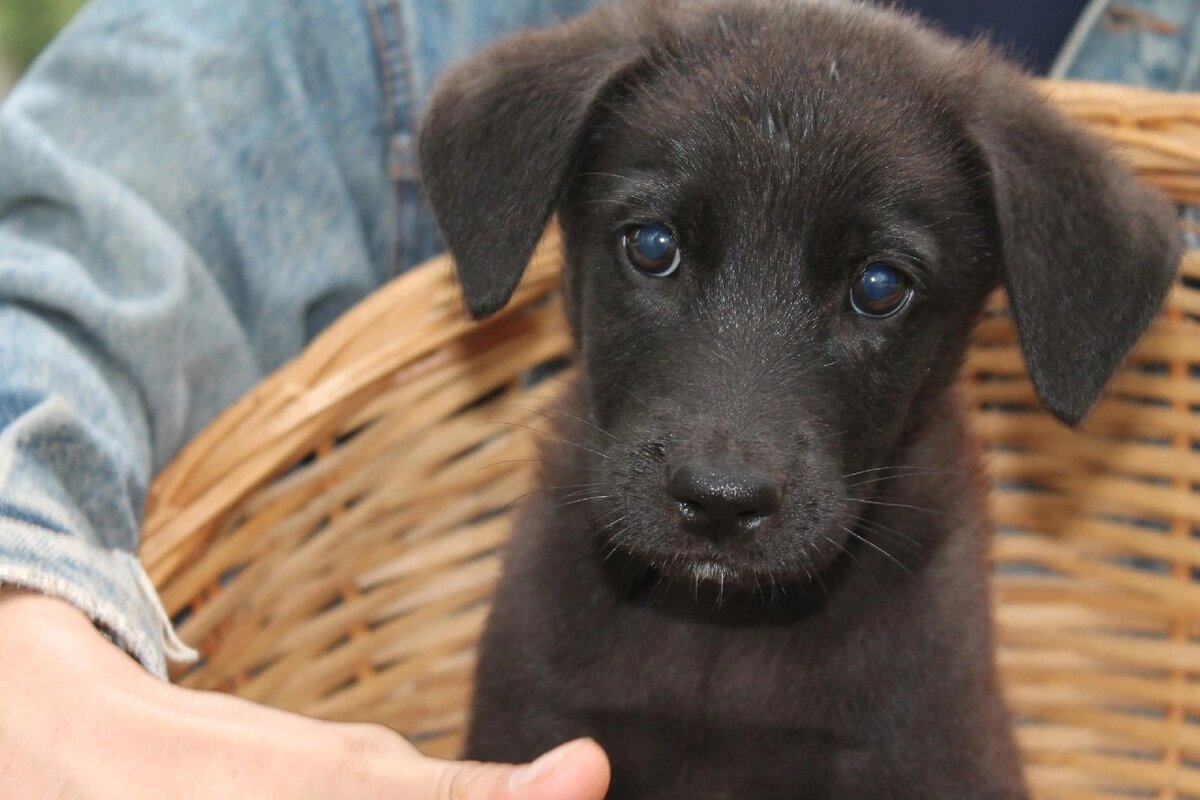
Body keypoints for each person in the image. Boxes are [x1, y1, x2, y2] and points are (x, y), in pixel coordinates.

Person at [0, 0, 1192, 797]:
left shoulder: (922, 643)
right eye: (655, 247)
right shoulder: (554, 618)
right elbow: (70, 239)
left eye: (879, 284)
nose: (729, 464)